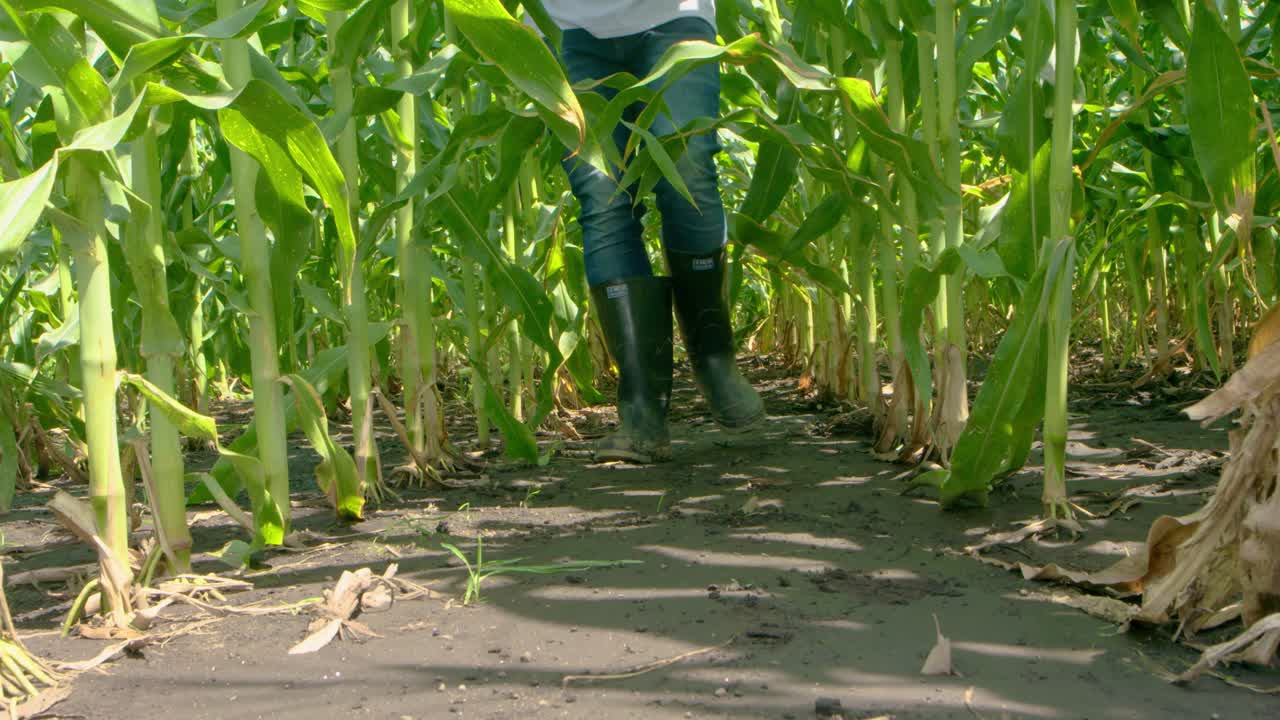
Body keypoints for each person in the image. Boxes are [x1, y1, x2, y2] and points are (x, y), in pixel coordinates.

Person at [538, 1, 764, 463]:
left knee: (690, 171)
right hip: (565, 29)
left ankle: (714, 361)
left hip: (673, 16)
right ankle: (642, 406)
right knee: (603, 197)